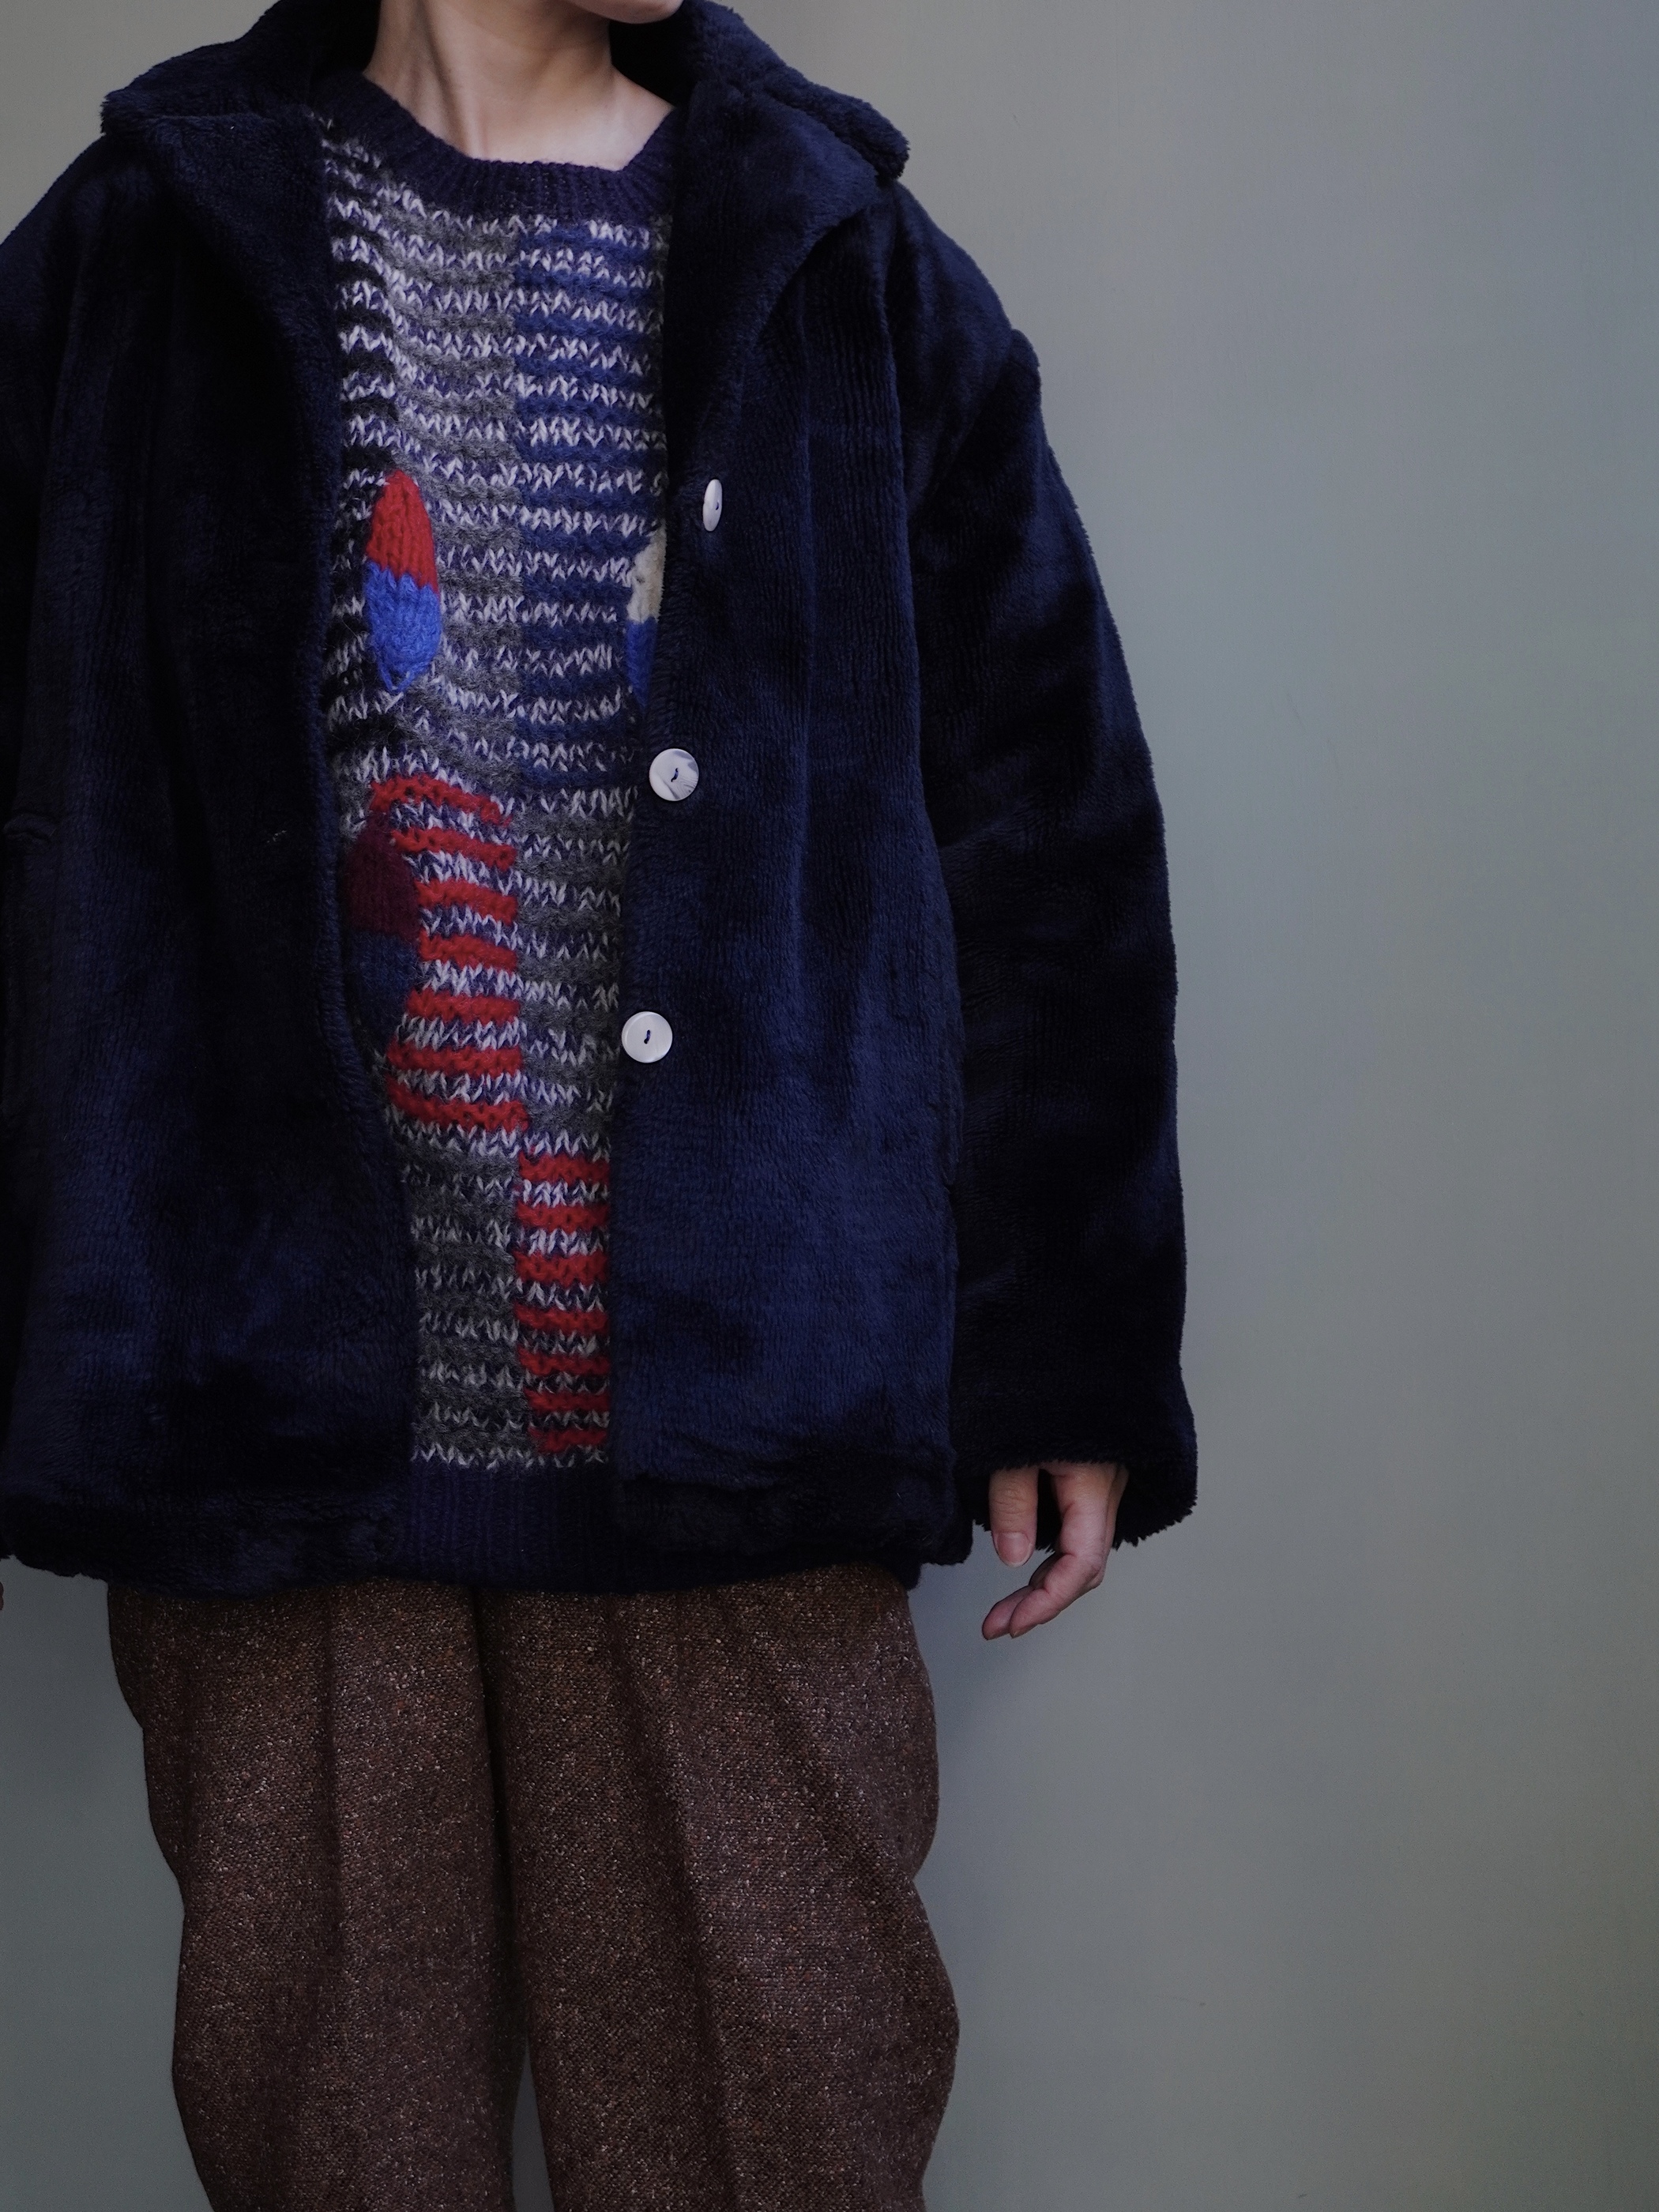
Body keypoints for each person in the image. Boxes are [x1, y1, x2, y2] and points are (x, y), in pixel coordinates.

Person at [0, 0, 1196, 2203]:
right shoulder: (144, 241)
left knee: (784, 2122)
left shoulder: (842, 255)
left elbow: (1048, 837)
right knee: (332, 2147)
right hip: (266, 1417)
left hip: (742, 1404)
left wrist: (1065, 1346)